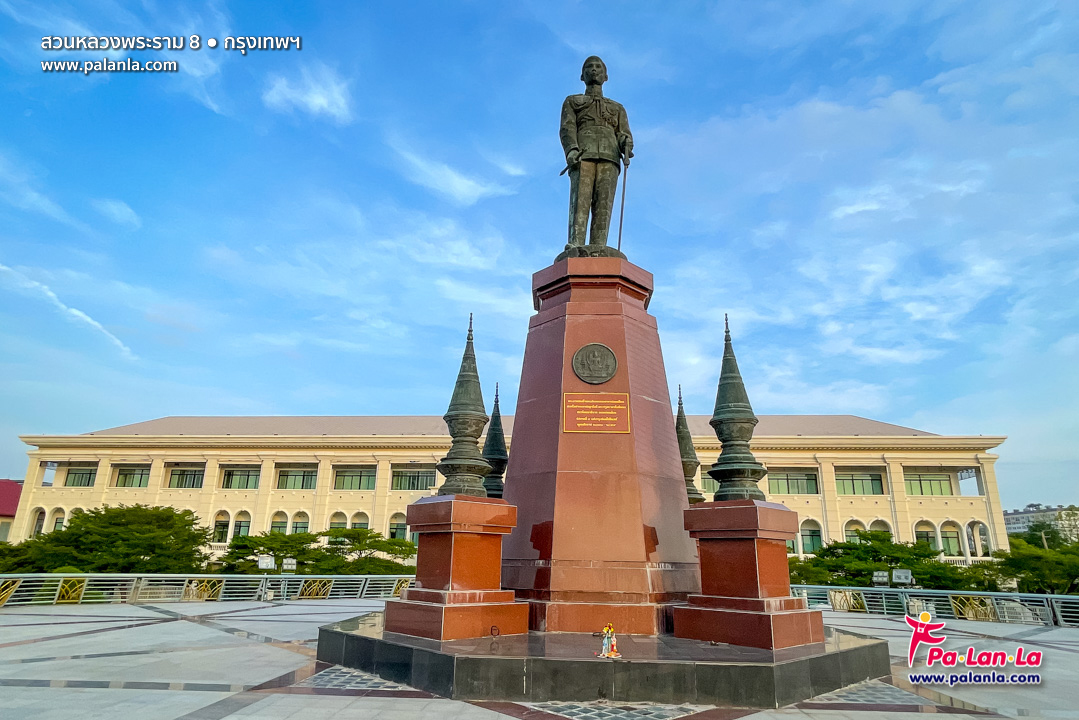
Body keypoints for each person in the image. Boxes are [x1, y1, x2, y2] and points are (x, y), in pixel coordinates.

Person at [560, 56, 633, 252]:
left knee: (604, 205)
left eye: (598, 67)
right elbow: (567, 128)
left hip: (610, 156)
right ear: (581, 76)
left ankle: (599, 246)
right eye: (589, 67)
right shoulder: (573, 101)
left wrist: (626, 142)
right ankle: (576, 243)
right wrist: (571, 150)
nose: (594, 70)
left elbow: (623, 133)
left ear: (606, 76)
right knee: (580, 202)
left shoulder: (617, 108)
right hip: (583, 154)